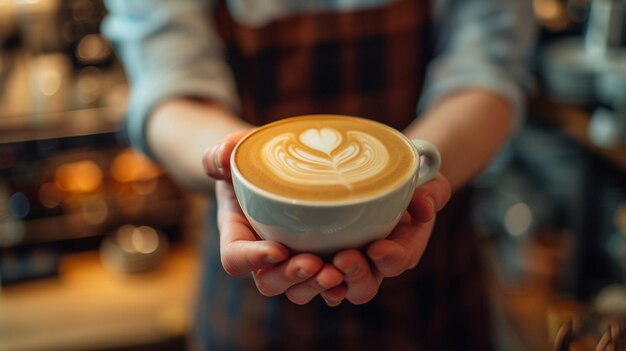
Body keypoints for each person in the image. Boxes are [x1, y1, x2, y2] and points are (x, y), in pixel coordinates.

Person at [102, 0, 536, 349]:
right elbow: (167, 88)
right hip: (252, 280)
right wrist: (234, 164)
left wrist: (409, 179)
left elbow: (490, 71)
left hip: (433, 279)